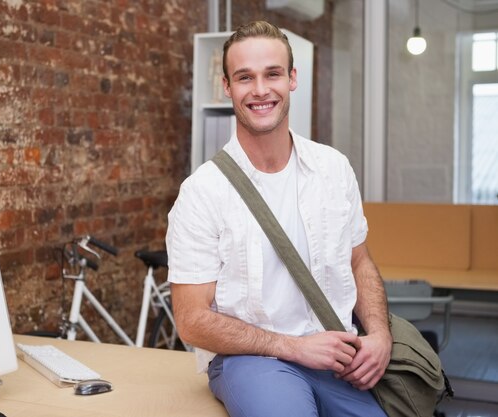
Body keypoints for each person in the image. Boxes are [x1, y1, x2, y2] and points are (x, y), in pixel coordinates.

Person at [166, 21, 392, 417]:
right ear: (226, 86)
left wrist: (380, 335)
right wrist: (294, 347)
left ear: (292, 79)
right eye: (244, 77)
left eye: (272, 74)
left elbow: (359, 260)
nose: (259, 90)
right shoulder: (202, 192)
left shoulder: (333, 168)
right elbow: (191, 320)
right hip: (251, 360)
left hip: (338, 355)